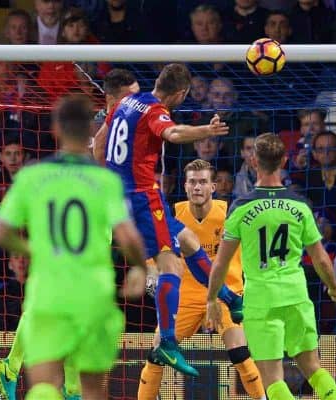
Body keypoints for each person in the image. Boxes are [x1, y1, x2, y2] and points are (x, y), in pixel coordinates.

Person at [0, 95, 148, 400]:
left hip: (48, 292)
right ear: (91, 129)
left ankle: (13, 369)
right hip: (93, 293)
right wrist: (141, 267)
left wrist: (36, 249)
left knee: (44, 387)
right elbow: (128, 238)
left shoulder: (32, 177)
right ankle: (13, 368)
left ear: (55, 129)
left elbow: (0, 233)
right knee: (91, 390)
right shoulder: (105, 181)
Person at [93, 63, 242, 377]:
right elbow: (173, 133)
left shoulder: (124, 103)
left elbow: (99, 144)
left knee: (187, 239)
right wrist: (207, 130)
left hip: (129, 196)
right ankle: (169, 343)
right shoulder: (154, 110)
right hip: (142, 199)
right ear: (182, 92)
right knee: (170, 266)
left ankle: (228, 298)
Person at [206, 132, 336, 400]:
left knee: (271, 378)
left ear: (253, 161)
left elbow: (221, 262)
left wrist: (212, 298)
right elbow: (320, 258)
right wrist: (334, 288)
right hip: (295, 295)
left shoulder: (241, 207)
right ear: (284, 160)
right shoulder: (300, 205)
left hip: (261, 299)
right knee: (313, 368)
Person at [138, 159, 265, 400]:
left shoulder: (230, 213)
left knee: (240, 352)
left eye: (203, 182)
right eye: (193, 182)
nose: (197, 187)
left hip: (225, 295)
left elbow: (253, 250)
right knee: (157, 353)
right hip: (185, 298)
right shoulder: (173, 214)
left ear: (213, 187)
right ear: (185, 186)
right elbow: (154, 248)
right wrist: (151, 274)